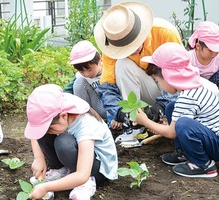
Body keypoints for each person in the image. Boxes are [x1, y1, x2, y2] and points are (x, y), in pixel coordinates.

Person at [135, 42, 219, 178]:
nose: (159, 85)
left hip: (216, 144)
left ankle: (203, 164)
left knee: (182, 124)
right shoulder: (193, 86)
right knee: (171, 107)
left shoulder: (188, 97)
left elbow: (172, 132)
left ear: (168, 76)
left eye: (157, 81)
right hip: (211, 137)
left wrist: (145, 121)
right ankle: (185, 153)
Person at [93, 1, 182, 126]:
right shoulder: (111, 46)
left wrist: (160, 107)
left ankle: (153, 115)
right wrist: (120, 113)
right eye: (125, 49)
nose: (133, 50)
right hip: (147, 89)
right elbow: (107, 88)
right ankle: (135, 120)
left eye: (134, 44)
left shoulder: (165, 33)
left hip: (171, 90)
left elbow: (180, 78)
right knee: (123, 64)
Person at [24, 84, 118, 199]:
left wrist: (46, 187)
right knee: (42, 132)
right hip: (78, 158)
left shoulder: (86, 124)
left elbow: (82, 174)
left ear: (63, 116)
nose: (49, 132)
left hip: (96, 168)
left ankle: (86, 184)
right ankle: (61, 171)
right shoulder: (60, 112)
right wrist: (38, 158)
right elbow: (36, 132)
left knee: (63, 142)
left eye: (51, 128)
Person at [69, 40, 122, 129]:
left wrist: (116, 114)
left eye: (89, 70)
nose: (86, 74)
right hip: (98, 110)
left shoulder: (108, 70)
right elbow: (66, 92)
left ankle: (117, 119)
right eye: (82, 71)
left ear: (100, 60)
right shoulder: (80, 78)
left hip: (117, 106)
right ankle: (88, 122)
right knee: (78, 82)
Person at [188, 21, 219, 87]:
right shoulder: (190, 58)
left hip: (214, 87)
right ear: (198, 46)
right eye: (210, 50)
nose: (214, 54)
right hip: (195, 87)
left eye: (217, 50)